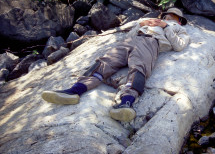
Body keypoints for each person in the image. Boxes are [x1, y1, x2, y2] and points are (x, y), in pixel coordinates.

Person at [41, 7, 190, 122]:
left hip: (151, 43)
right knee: (104, 62)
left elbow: (179, 46)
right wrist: (140, 25)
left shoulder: (178, 29)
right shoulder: (150, 22)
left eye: (173, 15)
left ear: (179, 20)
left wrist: (166, 26)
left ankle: (126, 103)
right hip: (131, 40)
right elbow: (128, 36)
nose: (168, 16)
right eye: (166, 14)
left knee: (139, 68)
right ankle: (75, 91)